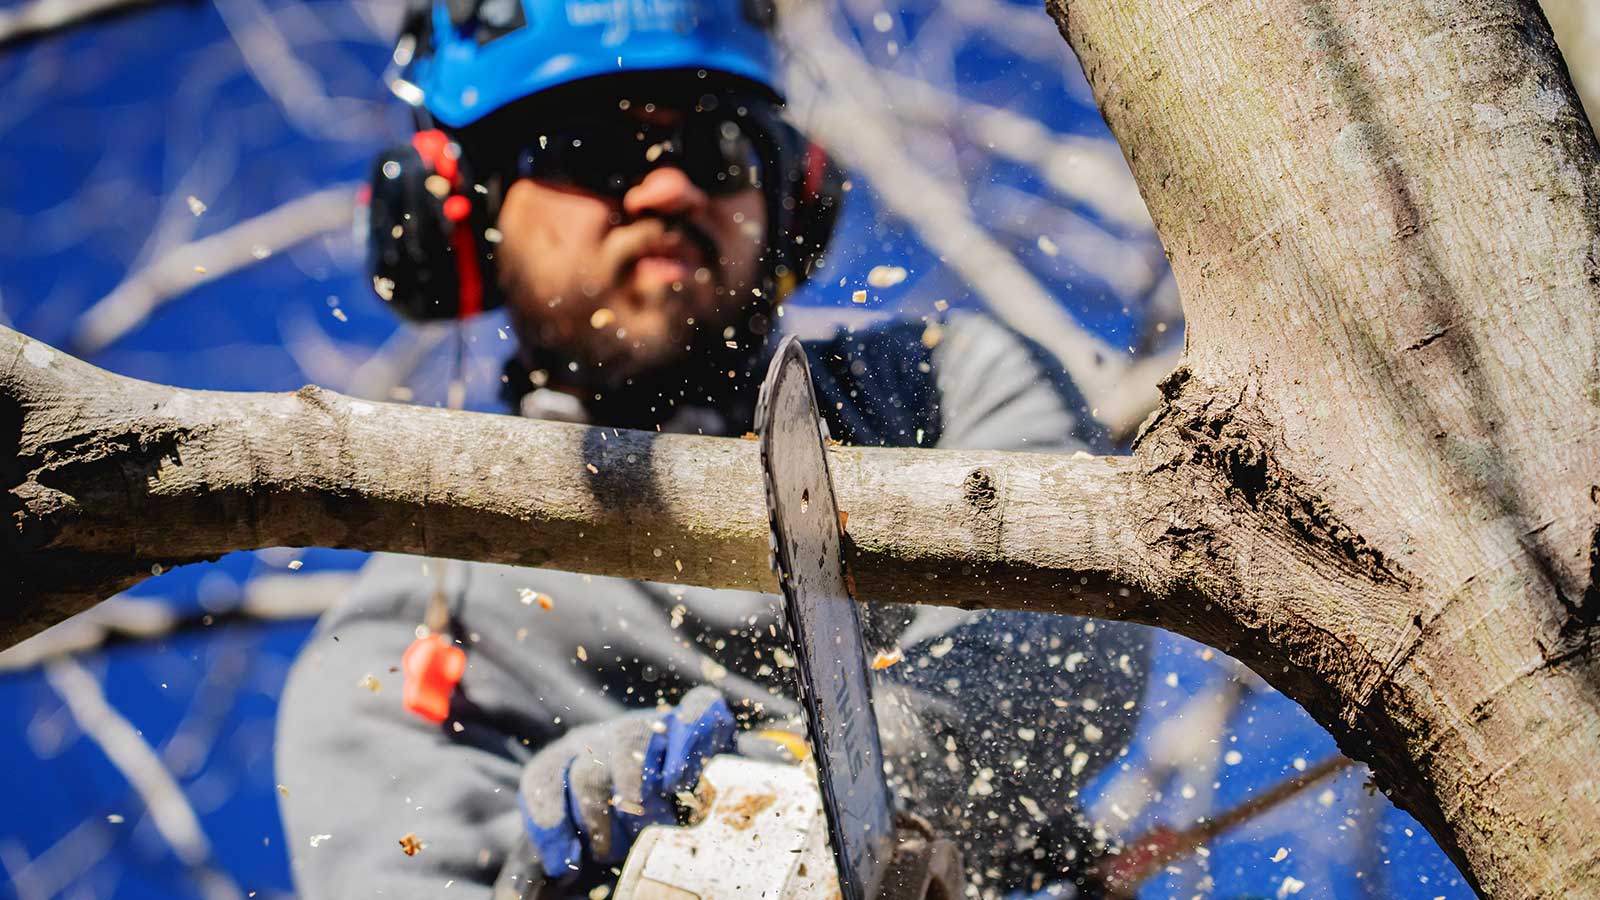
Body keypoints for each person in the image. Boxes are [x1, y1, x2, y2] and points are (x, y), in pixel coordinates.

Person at [274, 0, 1150, 897]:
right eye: (591, 152)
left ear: (787, 202)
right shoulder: (400, 647)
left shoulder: (932, 389)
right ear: (460, 221)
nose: (669, 192)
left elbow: (1063, 645)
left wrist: (817, 774)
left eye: (718, 152)